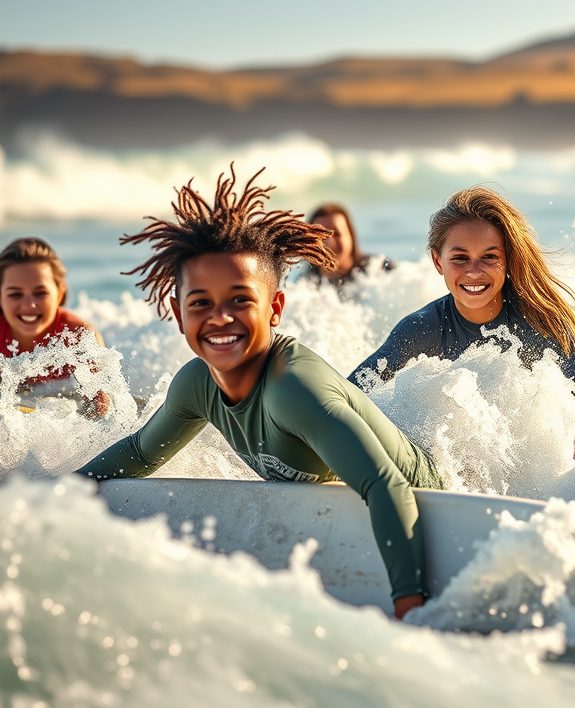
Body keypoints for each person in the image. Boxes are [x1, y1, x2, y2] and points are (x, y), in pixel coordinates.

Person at [77, 167, 443, 619]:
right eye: (200, 303)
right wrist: (64, 493)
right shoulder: (196, 385)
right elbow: (139, 452)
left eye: (239, 300)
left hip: (432, 506)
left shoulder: (294, 390)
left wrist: (411, 606)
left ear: (274, 308)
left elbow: (384, 485)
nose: (220, 318)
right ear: (177, 312)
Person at [350, 185, 575, 466]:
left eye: (489, 257)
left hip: (536, 467)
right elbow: (352, 394)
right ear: (437, 260)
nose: (474, 271)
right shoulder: (422, 329)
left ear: (507, 259)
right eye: (460, 258)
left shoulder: (540, 319)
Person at [0, 237, 109, 413]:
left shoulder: (79, 336)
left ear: (59, 293)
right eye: (15, 294)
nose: (29, 305)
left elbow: (101, 409)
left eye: (40, 293)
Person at [305, 202, 392, 288]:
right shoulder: (306, 284)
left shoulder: (379, 268)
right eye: (320, 236)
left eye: (336, 234)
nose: (329, 242)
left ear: (351, 235)